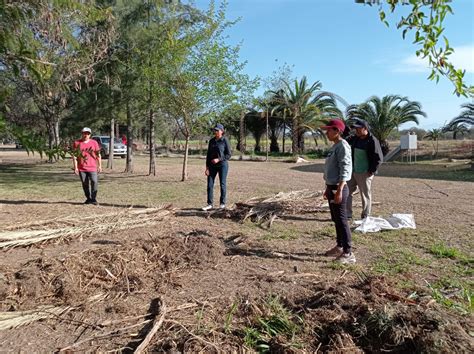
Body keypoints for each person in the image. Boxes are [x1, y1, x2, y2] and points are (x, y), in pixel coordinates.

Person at [321, 119, 355, 264]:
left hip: (339, 188)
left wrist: (339, 190)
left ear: (337, 131)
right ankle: (339, 246)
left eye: (329, 130)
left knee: (342, 220)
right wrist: (328, 188)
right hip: (332, 187)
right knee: (336, 220)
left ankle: (348, 253)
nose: (326, 132)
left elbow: (345, 169)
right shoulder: (335, 146)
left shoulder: (343, 146)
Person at [346, 119, 383, 220]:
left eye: (358, 128)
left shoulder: (372, 141)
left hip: (365, 172)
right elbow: (345, 140)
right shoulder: (355, 138)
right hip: (353, 171)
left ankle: (366, 215)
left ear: (365, 129)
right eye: (355, 129)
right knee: (347, 192)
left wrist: (371, 171)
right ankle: (347, 214)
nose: (356, 130)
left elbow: (378, 158)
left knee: (365, 194)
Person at [202, 123, 232, 211]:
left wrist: (219, 159)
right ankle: (209, 204)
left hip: (222, 165)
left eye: (217, 130)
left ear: (222, 131)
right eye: (215, 130)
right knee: (210, 185)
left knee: (222, 184)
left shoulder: (225, 140)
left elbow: (229, 155)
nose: (215, 132)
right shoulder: (212, 141)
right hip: (212, 166)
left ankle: (222, 204)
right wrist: (207, 167)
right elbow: (208, 155)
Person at [72, 127, 102, 205]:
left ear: (90, 134)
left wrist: (99, 166)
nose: (86, 135)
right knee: (85, 183)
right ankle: (88, 198)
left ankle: (94, 198)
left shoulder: (94, 143)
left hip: (92, 167)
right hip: (82, 168)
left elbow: (98, 155)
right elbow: (75, 156)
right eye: (84, 133)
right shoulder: (77, 143)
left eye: (88, 133)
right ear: (82, 134)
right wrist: (75, 167)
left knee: (94, 182)